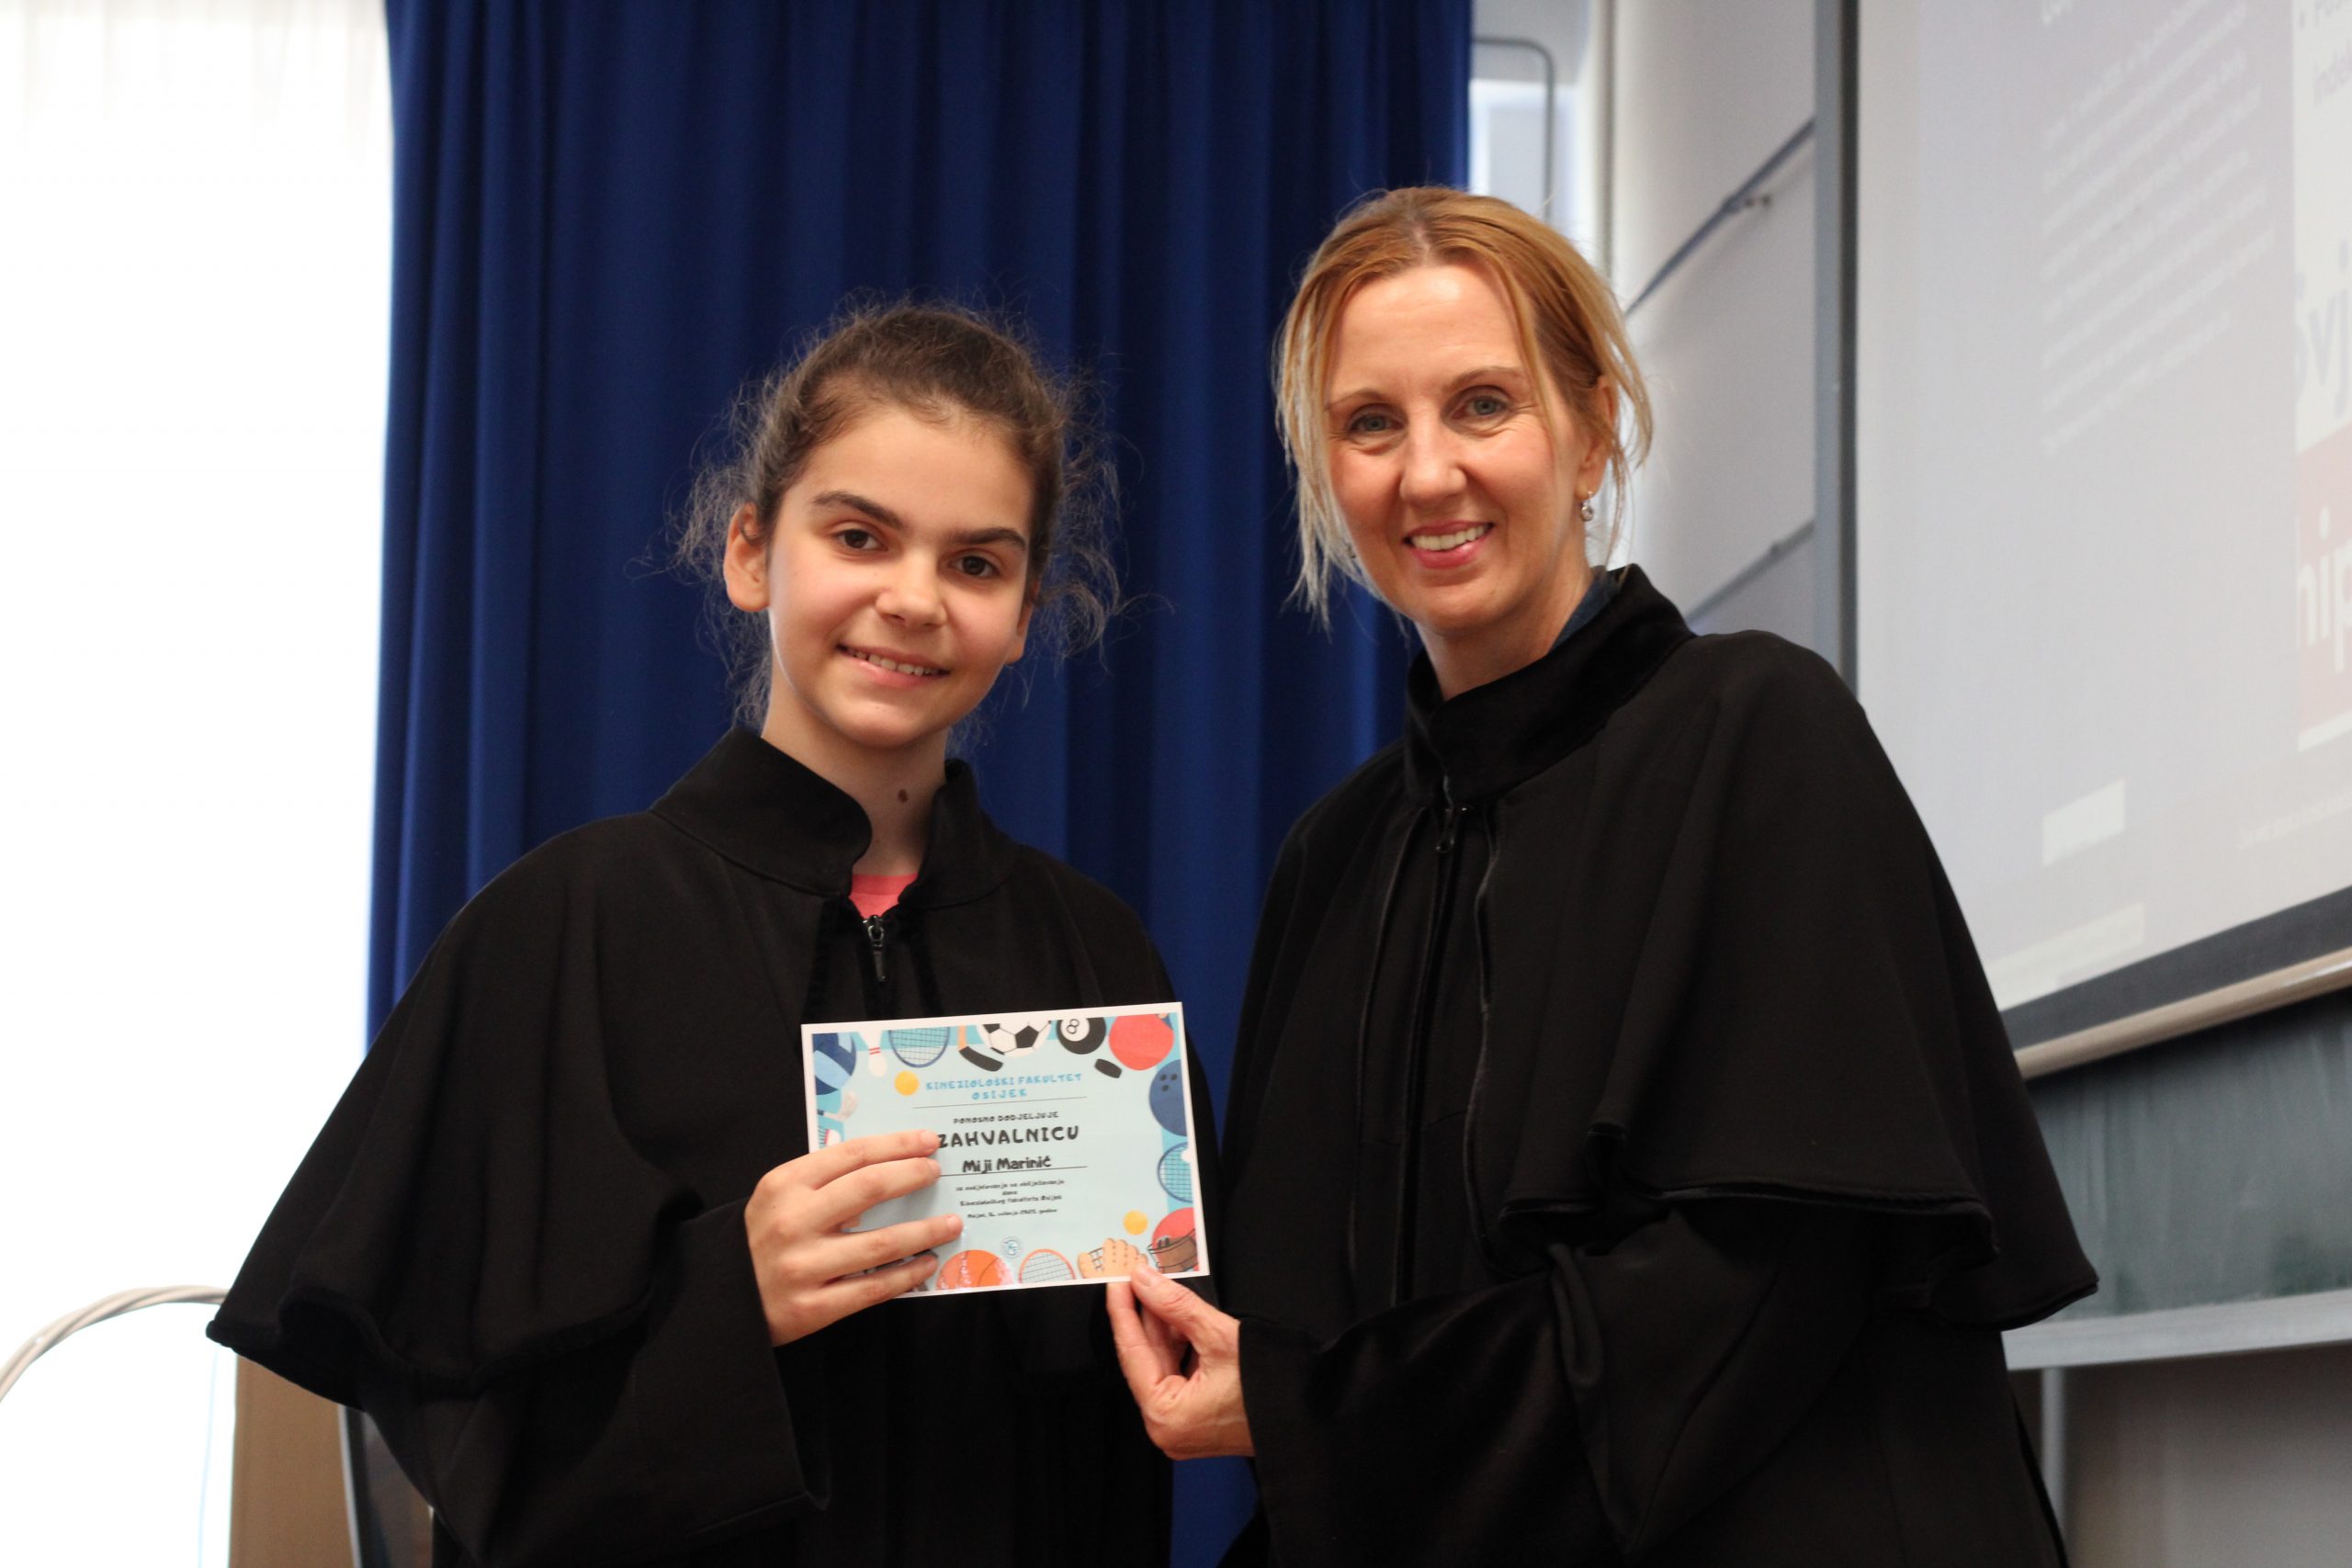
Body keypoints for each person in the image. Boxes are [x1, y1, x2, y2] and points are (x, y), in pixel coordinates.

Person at [1106, 188, 2097, 1566]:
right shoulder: (1333, 859)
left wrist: (1306, 1410)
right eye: (1371, 424)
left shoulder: (1757, 731)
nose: (1428, 474)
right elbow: (1303, 1321)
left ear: (1592, 433)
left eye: (1484, 405)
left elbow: (1754, 1296)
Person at [211, 304, 1204, 1567]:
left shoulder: (1095, 959)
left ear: (1022, 613)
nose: (912, 599)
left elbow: (1137, 1428)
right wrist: (731, 1303)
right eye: (859, 536)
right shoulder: (563, 931)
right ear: (751, 553)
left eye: (975, 563)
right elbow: (459, 1433)